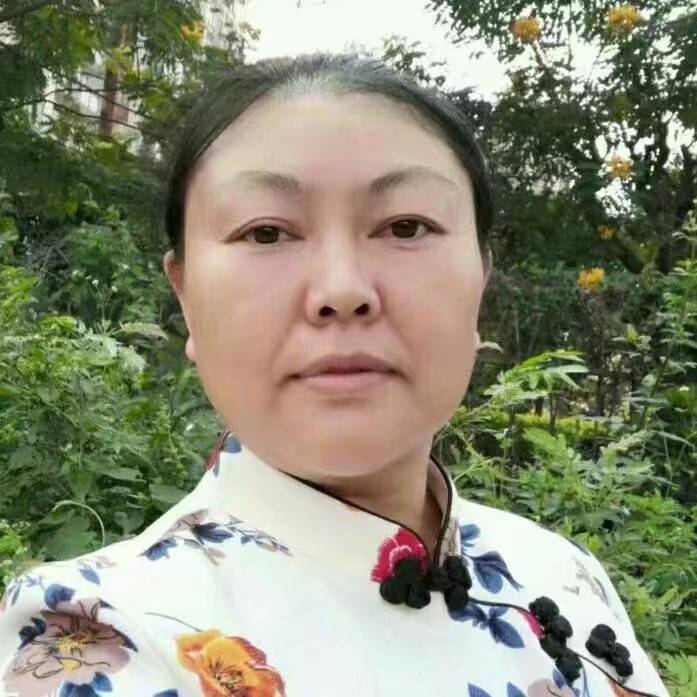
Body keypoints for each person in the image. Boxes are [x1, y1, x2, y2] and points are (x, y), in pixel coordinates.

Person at [0, 53, 668, 697]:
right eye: (266, 233)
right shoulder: (100, 631)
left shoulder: (562, 571)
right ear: (186, 297)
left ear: (480, 282)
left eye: (406, 225)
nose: (342, 289)